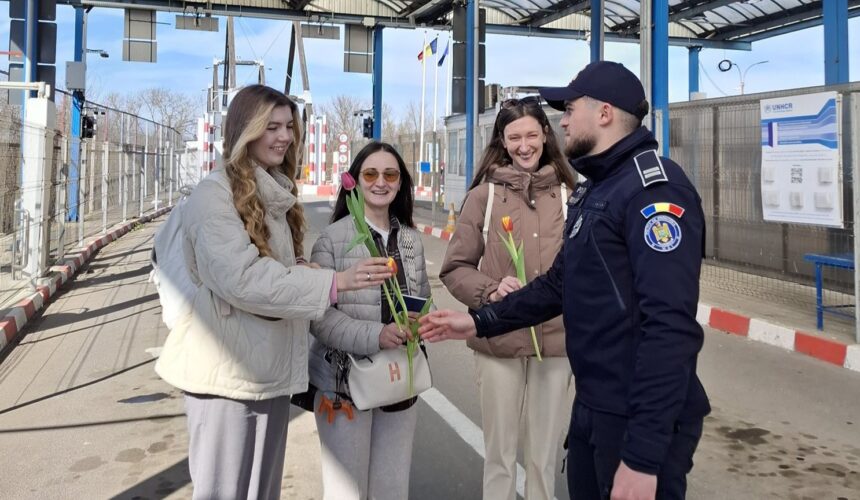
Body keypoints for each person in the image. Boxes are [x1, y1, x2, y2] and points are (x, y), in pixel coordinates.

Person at [419, 61, 711, 500]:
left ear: (605, 113)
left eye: (570, 109)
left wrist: (644, 455)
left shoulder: (653, 191)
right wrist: (479, 321)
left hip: (632, 416)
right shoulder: (597, 189)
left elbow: (669, 330)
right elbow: (559, 286)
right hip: (596, 406)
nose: (564, 120)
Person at [154, 85, 391, 499]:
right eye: (271, 127)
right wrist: (334, 281)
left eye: (288, 127)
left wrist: (301, 270)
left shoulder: (272, 191)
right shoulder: (215, 195)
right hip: (226, 375)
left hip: (267, 371)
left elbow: (270, 270)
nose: (284, 137)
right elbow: (243, 280)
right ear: (245, 130)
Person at [439, 96, 577, 500]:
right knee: (499, 457)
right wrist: (490, 290)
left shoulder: (573, 196)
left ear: (546, 135)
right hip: (498, 343)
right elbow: (454, 268)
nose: (524, 145)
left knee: (542, 458)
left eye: (531, 134)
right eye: (514, 137)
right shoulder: (483, 198)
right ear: (502, 140)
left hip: (555, 346)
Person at [308, 141, 431, 500]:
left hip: (399, 382)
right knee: (347, 492)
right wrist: (377, 334)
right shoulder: (332, 239)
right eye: (371, 173)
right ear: (355, 182)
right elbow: (320, 319)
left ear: (400, 182)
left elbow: (421, 300)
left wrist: (419, 320)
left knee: (391, 489)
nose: (381, 182)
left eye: (390, 174)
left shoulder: (410, 240)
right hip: (343, 385)